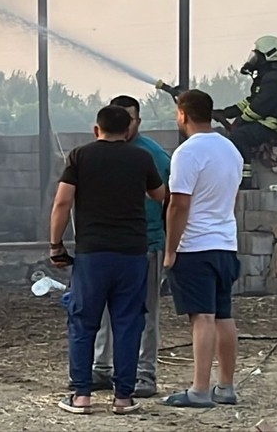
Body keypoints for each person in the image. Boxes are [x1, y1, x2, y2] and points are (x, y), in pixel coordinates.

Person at [49, 106, 167, 415]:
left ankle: (81, 396)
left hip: (92, 255)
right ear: (128, 130)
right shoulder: (142, 158)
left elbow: (63, 202)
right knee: (128, 323)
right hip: (132, 254)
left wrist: (56, 245)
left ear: (95, 129)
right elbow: (160, 195)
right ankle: (124, 398)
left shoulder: (79, 156)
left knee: (84, 322)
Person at [162, 89, 243, 409]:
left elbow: (178, 204)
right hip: (225, 243)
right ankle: (226, 385)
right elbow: (233, 197)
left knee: (202, 317)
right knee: (224, 315)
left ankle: (199, 389)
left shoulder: (187, 152)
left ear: (182, 114)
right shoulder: (230, 149)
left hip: (196, 246)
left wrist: (171, 250)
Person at [91, 95, 170, 398]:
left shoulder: (153, 156)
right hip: (108, 245)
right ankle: (101, 368)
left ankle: (144, 374)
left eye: (130, 119)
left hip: (145, 244)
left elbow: (171, 198)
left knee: (144, 312)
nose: (124, 125)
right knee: (102, 310)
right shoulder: (97, 154)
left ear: (138, 122)